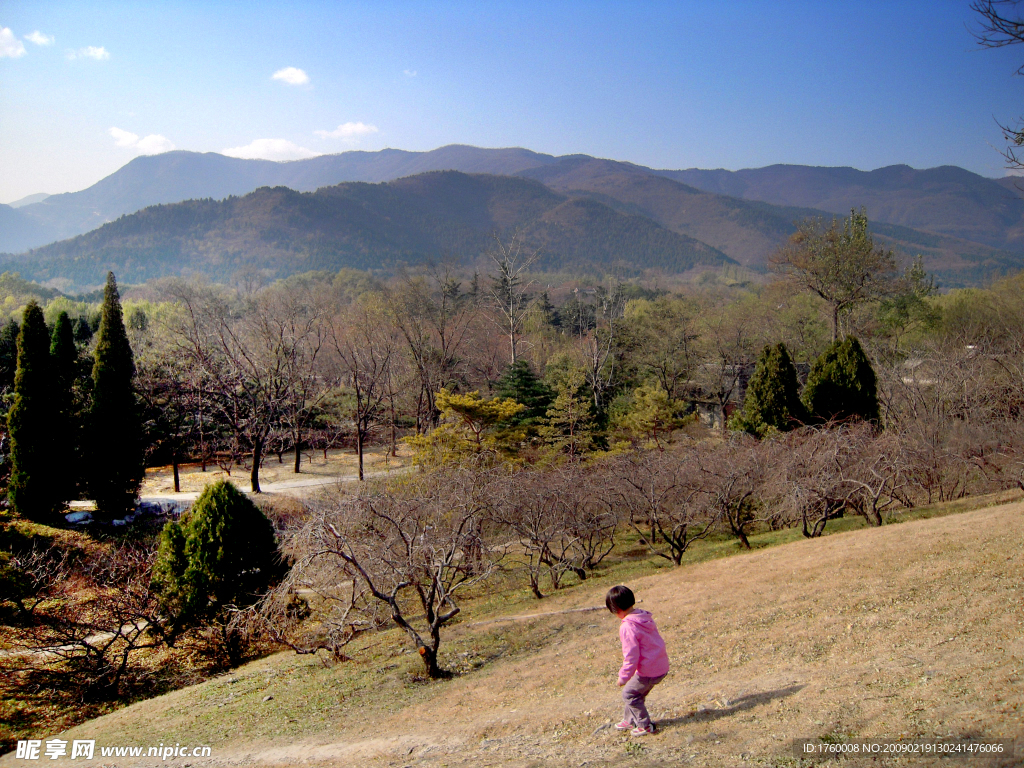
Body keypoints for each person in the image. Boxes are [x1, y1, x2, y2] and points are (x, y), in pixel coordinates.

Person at [606, 585, 669, 736]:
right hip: (660, 664)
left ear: (616, 609)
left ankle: (644, 725)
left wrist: (623, 677)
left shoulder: (628, 626)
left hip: (649, 670)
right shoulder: (643, 616)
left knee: (629, 694)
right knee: (636, 693)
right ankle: (629, 720)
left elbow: (631, 655)